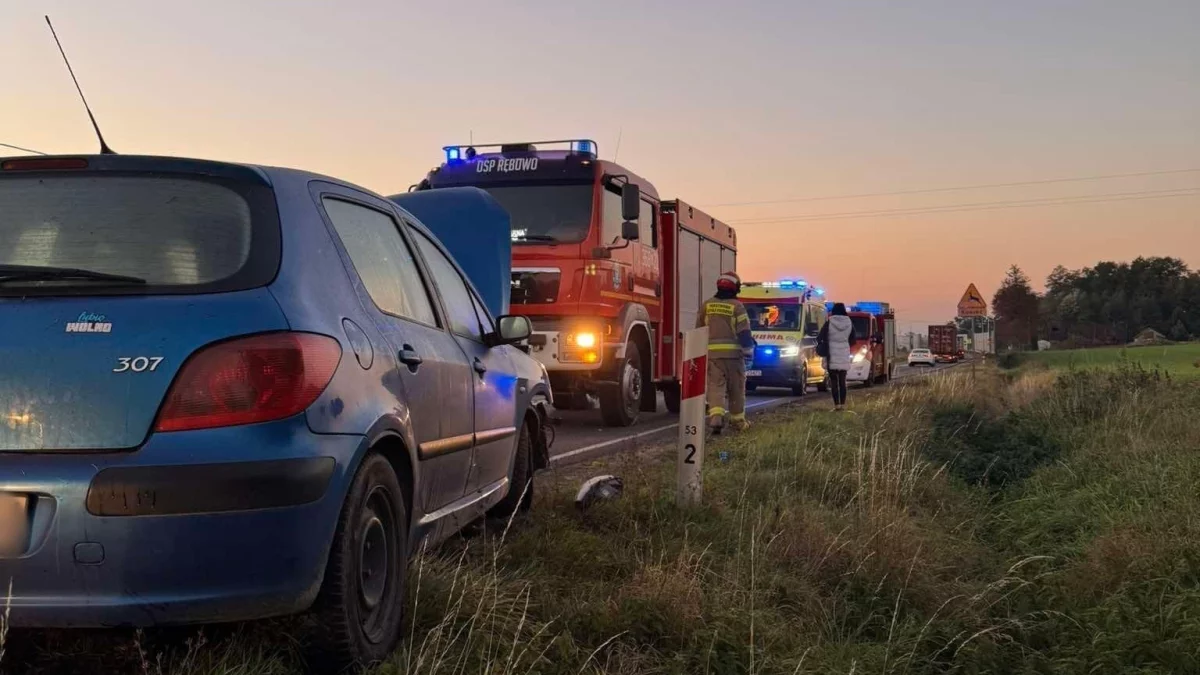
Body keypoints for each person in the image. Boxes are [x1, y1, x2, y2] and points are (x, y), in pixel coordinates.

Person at [697, 271, 756, 432]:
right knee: (736, 388)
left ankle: (716, 418)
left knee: (715, 387)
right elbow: (744, 332)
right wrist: (749, 353)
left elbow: (699, 330)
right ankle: (738, 422)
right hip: (734, 358)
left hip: (713, 357)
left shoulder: (707, 305)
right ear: (735, 288)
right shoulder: (737, 307)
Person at [817, 302, 856, 411]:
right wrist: (845, 344)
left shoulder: (829, 322)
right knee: (842, 382)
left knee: (834, 382)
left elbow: (820, 337)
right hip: (844, 353)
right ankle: (843, 405)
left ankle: (837, 406)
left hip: (831, 354)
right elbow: (853, 339)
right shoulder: (849, 323)